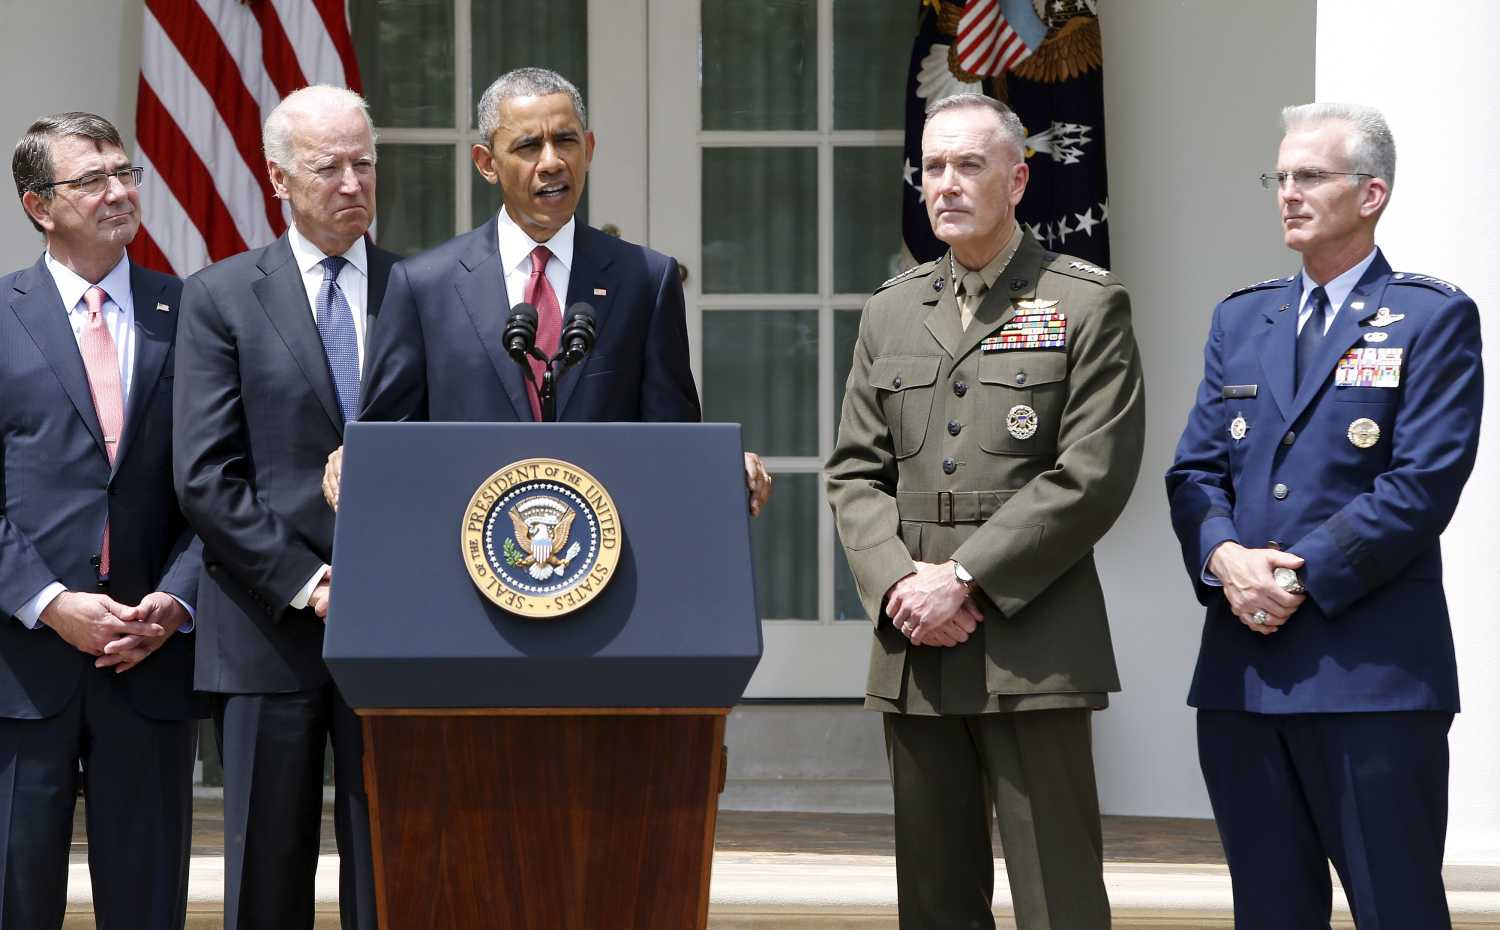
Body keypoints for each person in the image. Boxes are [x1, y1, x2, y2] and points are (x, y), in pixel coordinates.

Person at [826, 93, 1144, 929]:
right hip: (916, 648)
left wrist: (962, 579)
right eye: (933, 167)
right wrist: (902, 584)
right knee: (933, 900)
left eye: (970, 165)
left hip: (1035, 644)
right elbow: (854, 474)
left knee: (1058, 895)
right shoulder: (889, 310)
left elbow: (1092, 473)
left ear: (1018, 179)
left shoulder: (1084, 302)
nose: (947, 185)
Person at [1165, 102, 1482, 928]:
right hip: (1244, 674)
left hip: (1370, 678)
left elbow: (1422, 484)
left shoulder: (1432, 316)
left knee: (1397, 909)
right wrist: (1224, 559)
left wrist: (1294, 575)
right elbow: (1195, 471)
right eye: (1281, 177)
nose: (1288, 194)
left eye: (1311, 177)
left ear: (1371, 193)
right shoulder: (1242, 317)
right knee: (1269, 912)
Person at [334, 66, 770, 513]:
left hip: (607, 556)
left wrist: (720, 466)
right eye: (528, 146)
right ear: (487, 163)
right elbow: (388, 446)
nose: (552, 162)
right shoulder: (423, 285)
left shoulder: (645, 279)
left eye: (566, 141)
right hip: (464, 556)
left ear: (590, 149)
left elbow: (672, 439)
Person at [172, 85, 401, 930]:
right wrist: (310, 581)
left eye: (364, 163)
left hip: (399, 624)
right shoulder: (222, 297)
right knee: (267, 874)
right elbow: (205, 476)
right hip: (268, 628)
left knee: (396, 863)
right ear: (278, 178)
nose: (351, 182)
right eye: (327, 166)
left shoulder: (422, 289)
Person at [0, 112, 199, 929]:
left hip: (148, 661)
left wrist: (176, 601)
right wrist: (50, 602)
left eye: (125, 173)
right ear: (39, 205)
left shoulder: (192, 311)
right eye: (92, 180)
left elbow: (218, 480)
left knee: (149, 903)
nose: (120, 192)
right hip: (23, 668)